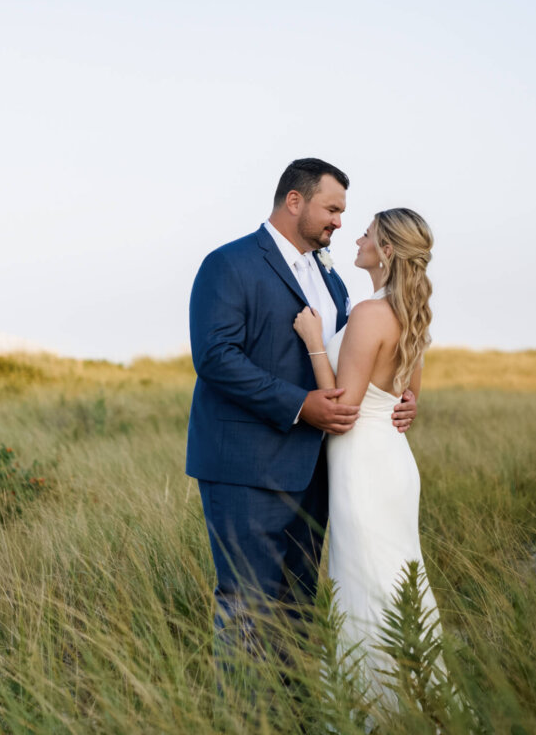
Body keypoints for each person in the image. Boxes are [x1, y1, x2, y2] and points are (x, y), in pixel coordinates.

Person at [185, 159, 417, 659]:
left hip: (316, 473)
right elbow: (215, 358)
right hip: (246, 467)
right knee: (247, 601)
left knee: (299, 606)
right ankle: (246, 717)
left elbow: (356, 355)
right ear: (295, 201)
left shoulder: (332, 279)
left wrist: (400, 393)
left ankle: (292, 714)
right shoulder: (229, 264)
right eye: (332, 208)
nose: (339, 222)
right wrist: (299, 405)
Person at [293, 207, 445, 715]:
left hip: (364, 467)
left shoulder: (370, 314)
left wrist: (315, 342)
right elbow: (407, 399)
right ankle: (415, 703)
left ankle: (374, 712)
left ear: (387, 251)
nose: (356, 237)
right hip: (393, 463)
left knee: (366, 584)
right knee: (395, 580)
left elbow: (342, 406)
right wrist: (407, 404)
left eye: (368, 233)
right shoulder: (409, 313)